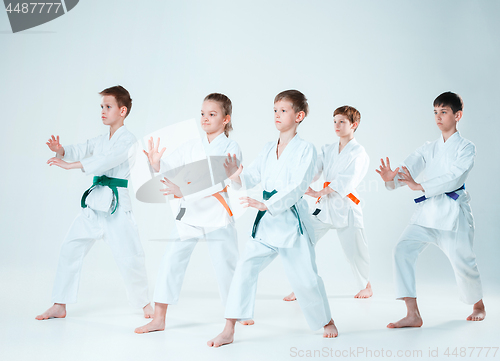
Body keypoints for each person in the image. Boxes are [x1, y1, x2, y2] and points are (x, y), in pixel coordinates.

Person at [207, 90, 337, 348]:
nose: (277, 115)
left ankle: (326, 320)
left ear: (299, 116)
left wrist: (267, 204)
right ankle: (229, 328)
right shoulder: (268, 148)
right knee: (244, 269)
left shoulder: (306, 150)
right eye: (275, 110)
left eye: (284, 110)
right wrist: (235, 175)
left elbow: (299, 185)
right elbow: (251, 177)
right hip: (266, 224)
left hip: (291, 223)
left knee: (306, 278)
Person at [135, 93, 253, 333]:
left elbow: (216, 177)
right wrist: (157, 164)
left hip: (216, 212)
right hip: (189, 213)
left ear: (226, 119)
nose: (205, 118)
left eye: (212, 114)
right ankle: (159, 319)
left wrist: (183, 190)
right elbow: (172, 168)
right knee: (171, 261)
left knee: (226, 265)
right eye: (202, 113)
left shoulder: (230, 146)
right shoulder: (192, 146)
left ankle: (237, 313)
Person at [36, 85, 153, 320]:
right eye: (101, 107)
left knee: (130, 256)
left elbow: (105, 160)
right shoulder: (101, 139)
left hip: (116, 207)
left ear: (122, 111)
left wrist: (72, 165)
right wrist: (62, 151)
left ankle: (145, 304)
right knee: (70, 247)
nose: (103, 111)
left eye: (108, 107)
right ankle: (60, 304)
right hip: (94, 204)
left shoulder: (128, 140)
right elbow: (83, 149)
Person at [376, 91, 485, 328]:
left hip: (453, 212)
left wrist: (420, 186)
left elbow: (454, 177)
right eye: (435, 112)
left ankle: (478, 305)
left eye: (443, 112)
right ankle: (412, 313)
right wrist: (391, 179)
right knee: (402, 250)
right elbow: (408, 168)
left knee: (463, 261)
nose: (438, 117)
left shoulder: (466, 147)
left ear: (458, 116)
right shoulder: (429, 148)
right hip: (428, 211)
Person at [283, 105, 372, 302]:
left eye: (342, 122)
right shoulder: (329, 149)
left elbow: (347, 181)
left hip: (346, 208)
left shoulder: (359, 152)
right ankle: (300, 286)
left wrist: (318, 191)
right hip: (324, 209)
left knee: (355, 251)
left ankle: (365, 285)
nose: (337, 125)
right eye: (335, 121)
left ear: (354, 125)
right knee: (303, 241)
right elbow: (314, 168)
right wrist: (300, 181)